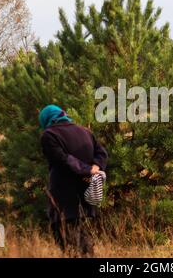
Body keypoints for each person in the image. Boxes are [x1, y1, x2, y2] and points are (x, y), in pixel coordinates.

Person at [39, 104, 108, 257]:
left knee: (65, 235)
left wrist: (88, 169)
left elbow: (63, 159)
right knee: (78, 232)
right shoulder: (84, 131)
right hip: (86, 190)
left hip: (64, 194)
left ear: (45, 120)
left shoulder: (49, 135)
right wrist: (95, 166)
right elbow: (102, 152)